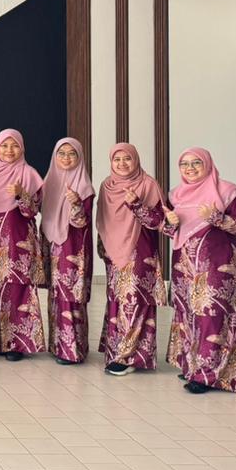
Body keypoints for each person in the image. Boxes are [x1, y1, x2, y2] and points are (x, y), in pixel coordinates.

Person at [162, 148, 236, 394]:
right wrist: (169, 224)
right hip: (184, 268)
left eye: (196, 163)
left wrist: (216, 217)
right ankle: (193, 367)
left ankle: (207, 376)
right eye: (184, 164)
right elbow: (170, 229)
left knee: (212, 316)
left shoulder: (228, 191)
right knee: (188, 316)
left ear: (208, 164)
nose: (190, 168)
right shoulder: (176, 195)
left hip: (217, 267)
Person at [95, 143, 166, 376]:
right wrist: (104, 249)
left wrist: (137, 204)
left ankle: (129, 357)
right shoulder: (107, 186)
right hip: (113, 252)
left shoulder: (148, 184)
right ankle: (117, 352)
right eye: (117, 159)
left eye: (127, 158)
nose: (122, 163)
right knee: (117, 301)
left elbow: (159, 221)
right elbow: (103, 220)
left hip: (139, 250)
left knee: (135, 300)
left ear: (135, 160)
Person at [0, 129, 45, 361]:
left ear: (22, 148)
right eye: (4, 146)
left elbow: (33, 210)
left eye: (14, 145)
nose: (9, 150)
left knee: (18, 288)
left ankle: (17, 344)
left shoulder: (29, 174)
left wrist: (21, 194)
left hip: (19, 243)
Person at [40, 137, 95, 365]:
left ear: (79, 157)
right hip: (51, 244)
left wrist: (76, 203)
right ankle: (58, 345)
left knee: (71, 294)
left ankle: (73, 350)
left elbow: (81, 222)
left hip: (74, 247)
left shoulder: (84, 187)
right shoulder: (49, 182)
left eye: (72, 154)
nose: (66, 158)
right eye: (61, 153)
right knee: (56, 295)